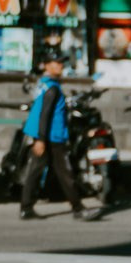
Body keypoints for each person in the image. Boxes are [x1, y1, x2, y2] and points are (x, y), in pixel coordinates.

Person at [18, 56, 86, 220]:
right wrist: (41, 140)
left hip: (46, 135)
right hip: (51, 137)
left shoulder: (44, 84)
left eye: (62, 63)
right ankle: (78, 208)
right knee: (64, 173)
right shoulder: (52, 89)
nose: (60, 66)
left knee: (37, 171)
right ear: (47, 66)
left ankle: (26, 208)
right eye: (57, 63)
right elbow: (45, 114)